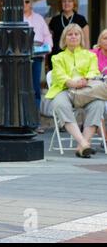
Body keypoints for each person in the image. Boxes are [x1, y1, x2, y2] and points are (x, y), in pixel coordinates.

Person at [45, 24, 104, 158]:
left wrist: (85, 80)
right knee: (60, 104)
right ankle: (83, 143)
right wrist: (72, 83)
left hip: (86, 90)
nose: (73, 37)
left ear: (81, 37)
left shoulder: (90, 56)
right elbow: (59, 76)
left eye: (76, 34)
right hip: (65, 91)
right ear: (64, 38)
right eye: (70, 34)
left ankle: (81, 146)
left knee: (98, 104)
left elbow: (94, 71)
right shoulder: (57, 57)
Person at [23, 0, 53, 134]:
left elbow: (47, 36)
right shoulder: (16, 18)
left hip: (36, 56)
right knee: (21, 89)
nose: (24, 4)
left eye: (27, 1)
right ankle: (23, 122)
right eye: (22, 1)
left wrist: (48, 48)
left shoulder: (39, 19)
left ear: (31, 3)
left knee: (35, 88)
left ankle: (35, 122)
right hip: (20, 59)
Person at [48, 0, 90, 71]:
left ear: (74, 3)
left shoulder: (81, 19)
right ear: (61, 4)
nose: (67, 3)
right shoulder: (54, 20)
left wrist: (86, 57)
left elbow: (86, 42)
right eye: (64, 1)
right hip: (57, 57)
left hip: (76, 57)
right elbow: (49, 40)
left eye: (70, 1)